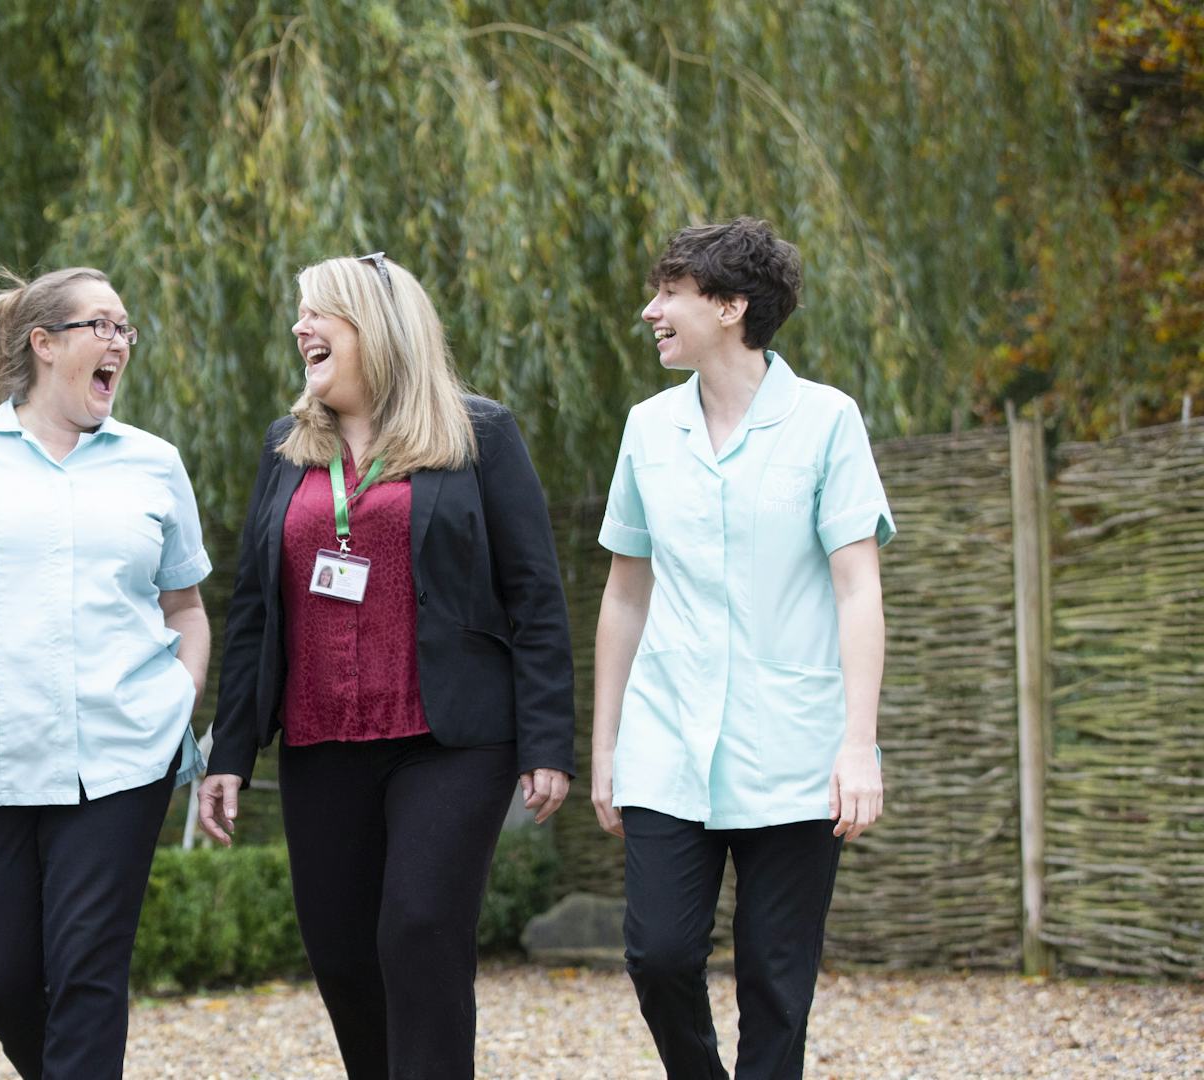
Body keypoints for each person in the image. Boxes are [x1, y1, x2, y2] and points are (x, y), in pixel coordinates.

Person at [198, 253, 575, 1079]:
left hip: (449, 738)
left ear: (378, 324)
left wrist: (547, 743)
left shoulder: (479, 435)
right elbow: (255, 608)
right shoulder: (287, 447)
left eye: (319, 312)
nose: (300, 328)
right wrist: (227, 753)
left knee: (419, 926)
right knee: (340, 953)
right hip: (321, 739)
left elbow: (535, 597)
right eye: (299, 313)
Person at [0, 267, 211, 1078]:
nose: (119, 342)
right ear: (44, 343)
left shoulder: (154, 463)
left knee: (89, 973)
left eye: (126, 329)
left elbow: (188, 610)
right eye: (101, 325)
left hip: (124, 753)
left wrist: (179, 701)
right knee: (0, 976)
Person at [590, 217, 895, 1080]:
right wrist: (606, 745)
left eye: (670, 293)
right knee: (658, 955)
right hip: (666, 742)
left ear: (729, 306)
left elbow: (856, 589)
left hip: (793, 746)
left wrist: (857, 746)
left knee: (775, 981)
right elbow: (624, 592)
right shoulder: (648, 430)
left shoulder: (827, 422)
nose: (652, 310)